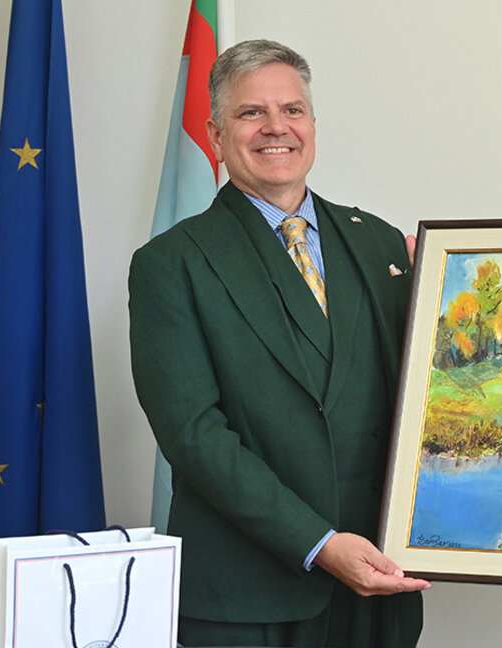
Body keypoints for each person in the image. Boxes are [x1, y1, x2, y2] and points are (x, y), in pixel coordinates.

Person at [129, 39, 427, 647]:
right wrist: (319, 544)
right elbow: (194, 436)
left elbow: (436, 401)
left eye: (292, 110)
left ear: (313, 125)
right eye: (250, 113)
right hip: (243, 603)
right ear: (215, 132)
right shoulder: (170, 263)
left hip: (376, 591)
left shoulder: (384, 248)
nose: (276, 128)